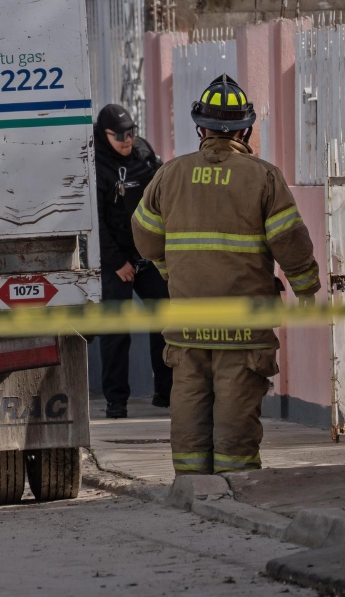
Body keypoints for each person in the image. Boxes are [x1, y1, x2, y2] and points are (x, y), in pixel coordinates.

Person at [131, 74, 321, 475]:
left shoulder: (170, 175)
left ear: (200, 127)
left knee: (189, 404)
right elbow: (291, 242)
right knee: (236, 409)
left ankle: (190, 485)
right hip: (243, 327)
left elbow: (145, 237)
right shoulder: (263, 177)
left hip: (188, 323)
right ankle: (236, 488)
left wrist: (170, 271)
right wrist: (306, 290)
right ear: (245, 128)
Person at [93, 103, 172, 419]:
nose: (128, 140)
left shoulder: (142, 153)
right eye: (120, 135)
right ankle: (116, 401)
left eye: (132, 132)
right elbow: (96, 221)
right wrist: (116, 262)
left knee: (165, 318)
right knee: (116, 330)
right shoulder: (95, 163)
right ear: (105, 134)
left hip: (147, 253)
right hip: (114, 258)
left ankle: (166, 393)